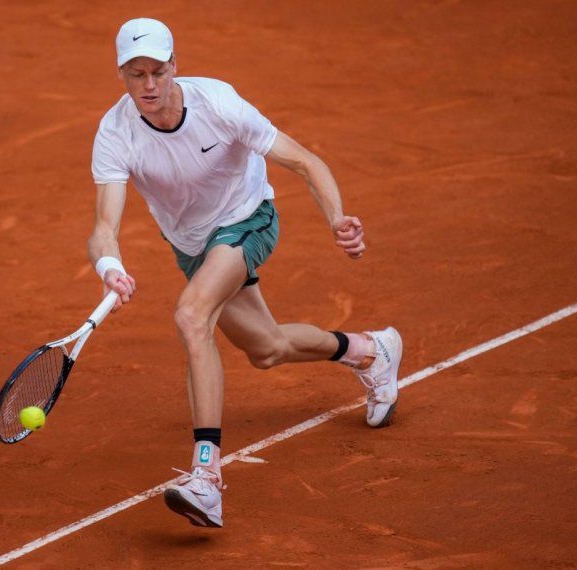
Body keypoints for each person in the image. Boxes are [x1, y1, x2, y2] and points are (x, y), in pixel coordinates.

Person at [88, 18, 402, 528]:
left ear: (175, 67)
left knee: (192, 316)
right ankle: (371, 350)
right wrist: (110, 265)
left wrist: (338, 220)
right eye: (135, 74)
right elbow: (105, 225)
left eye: (157, 72)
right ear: (121, 74)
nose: (148, 85)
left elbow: (303, 161)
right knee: (267, 349)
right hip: (192, 245)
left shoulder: (218, 105)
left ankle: (206, 476)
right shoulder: (115, 132)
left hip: (247, 219)